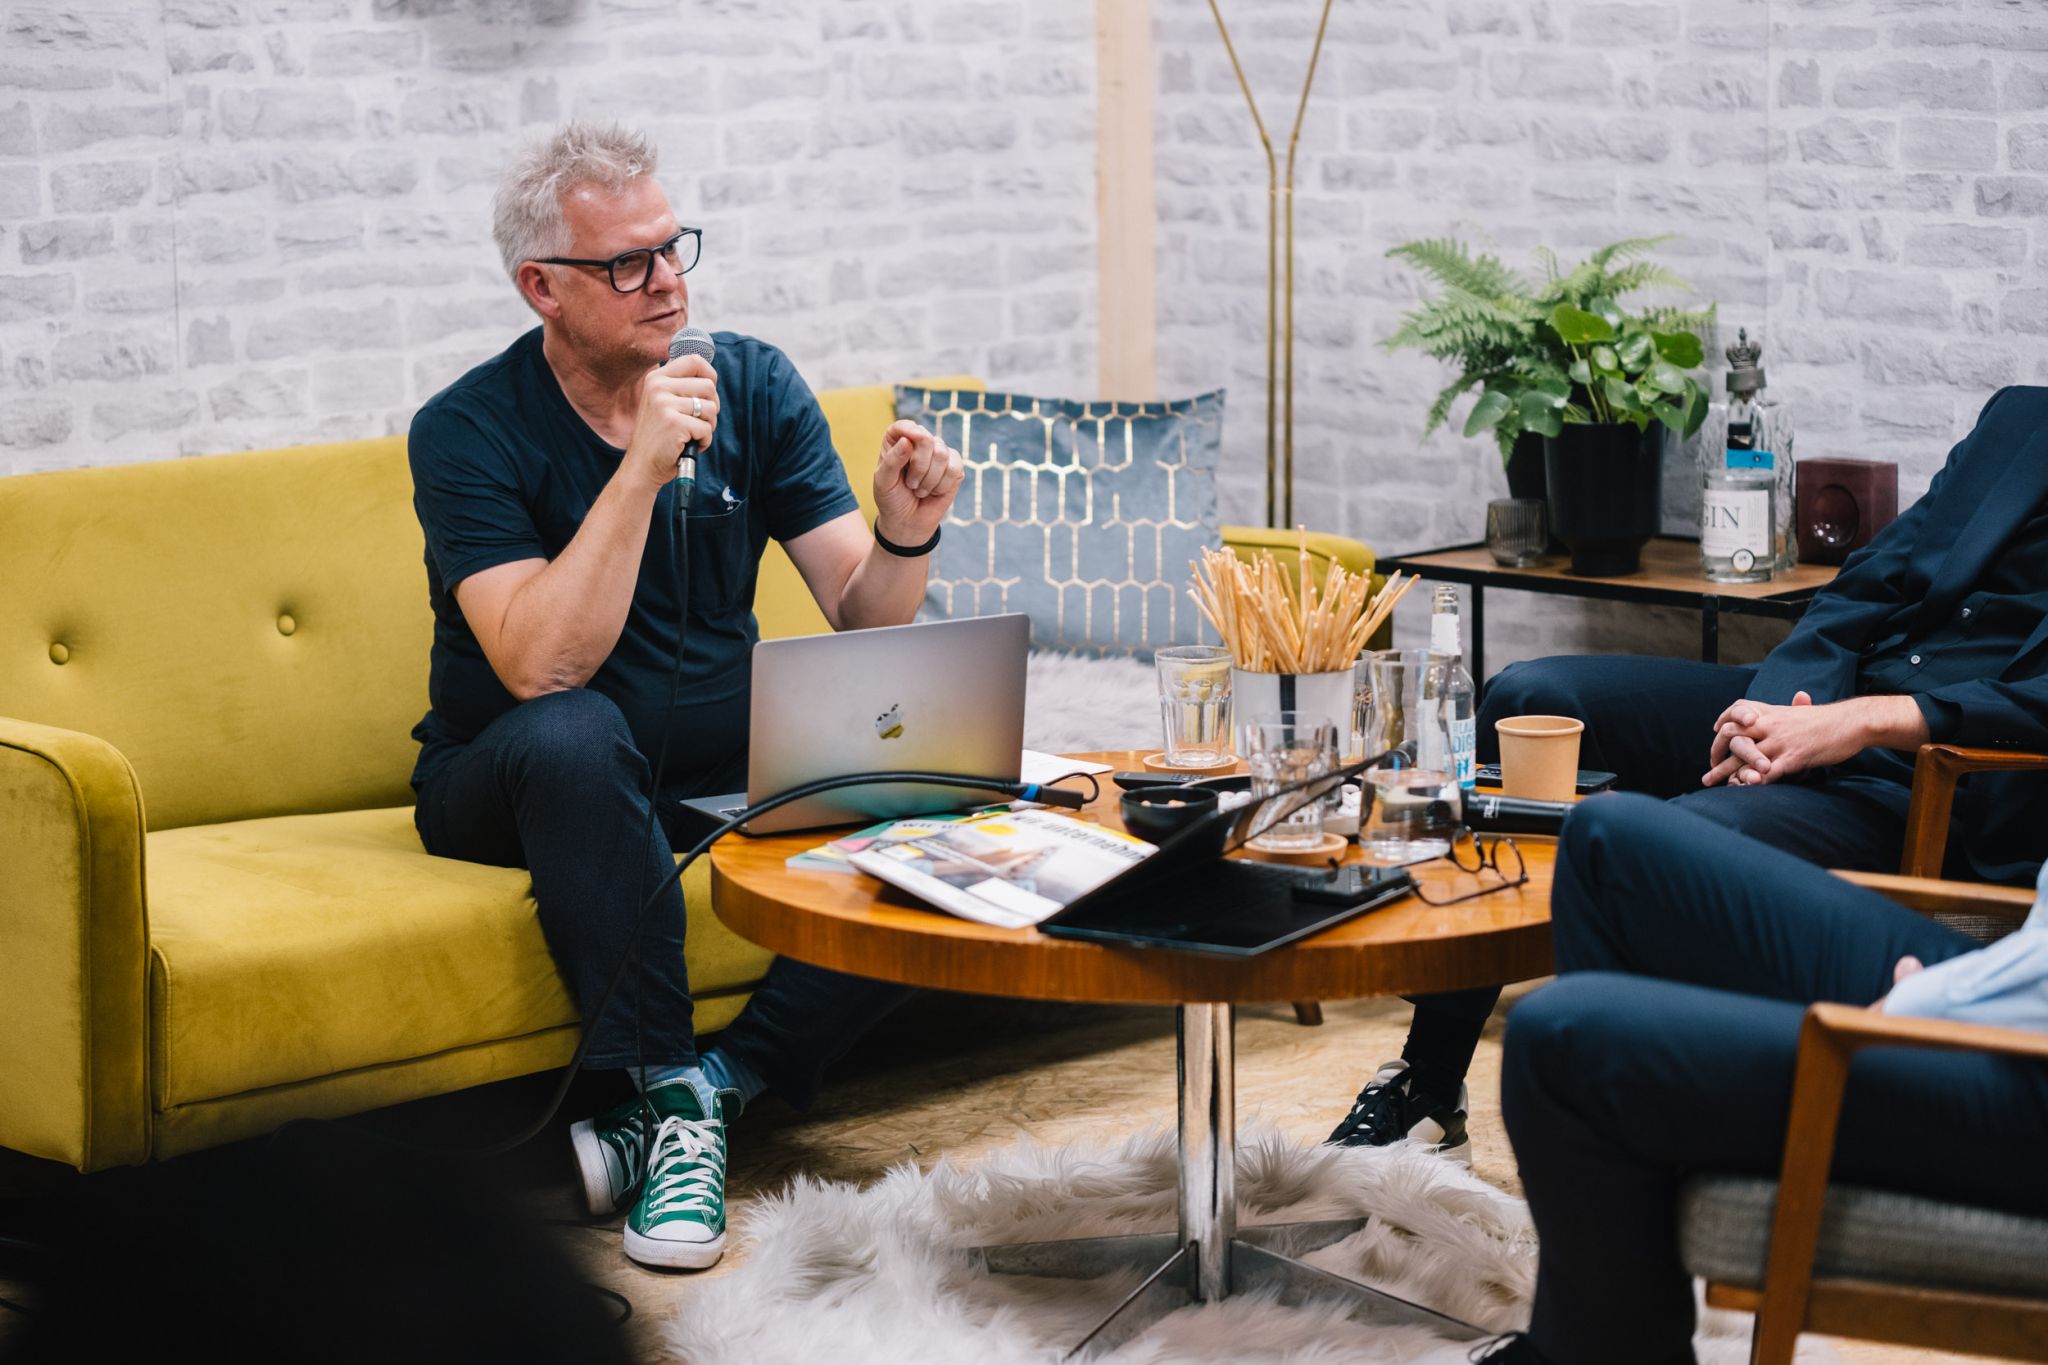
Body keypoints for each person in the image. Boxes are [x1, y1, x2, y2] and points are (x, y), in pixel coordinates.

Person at [405, 122, 963, 1270]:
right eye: (627, 263)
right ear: (541, 289)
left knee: (931, 779)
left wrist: (908, 536)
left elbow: (862, 617)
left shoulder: (750, 382)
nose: (666, 282)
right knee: (573, 730)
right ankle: (661, 1081)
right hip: (513, 782)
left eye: (672, 248)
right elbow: (536, 667)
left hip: (720, 777)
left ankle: (705, 1099)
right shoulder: (465, 430)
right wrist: (640, 468)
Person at [1329, 385, 2048, 1157]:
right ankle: (1429, 1080)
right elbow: (1867, 582)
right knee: (1531, 695)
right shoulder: (2021, 419)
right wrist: (1771, 720)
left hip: (1927, 777)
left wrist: (1860, 722)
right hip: (1815, 701)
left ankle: (1617, 1152)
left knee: (1649, 840)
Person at [1469, 793, 2048, 1364]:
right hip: (2015, 971)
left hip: (2027, 1063)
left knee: (1562, 1043)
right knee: (1604, 841)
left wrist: (1924, 1001)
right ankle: (1603, 1316)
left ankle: (1591, 1344)